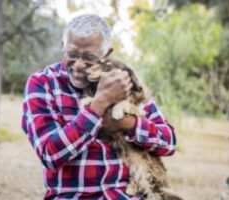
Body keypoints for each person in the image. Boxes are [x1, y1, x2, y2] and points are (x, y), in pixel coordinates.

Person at [22, 14, 176, 200]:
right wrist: (99, 104)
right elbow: (50, 155)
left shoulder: (123, 79)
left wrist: (127, 124)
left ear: (106, 53)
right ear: (63, 46)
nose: (78, 65)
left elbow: (169, 142)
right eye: (72, 55)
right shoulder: (42, 83)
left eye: (89, 57)